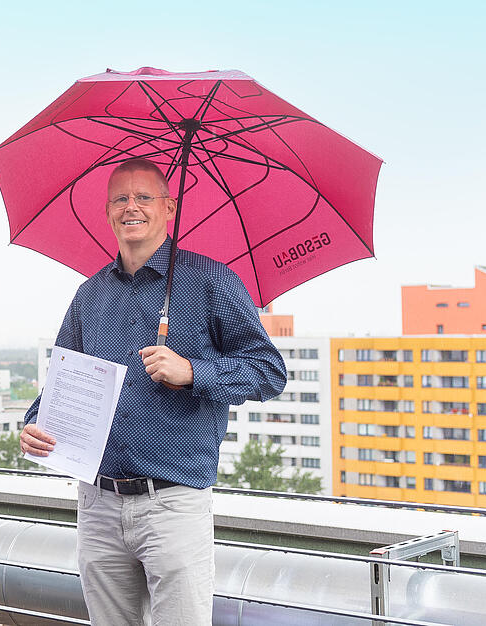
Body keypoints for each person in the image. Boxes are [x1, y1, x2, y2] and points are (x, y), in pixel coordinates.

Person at [19, 159, 286, 625]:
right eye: (120, 198)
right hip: (97, 502)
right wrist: (33, 423)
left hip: (173, 503)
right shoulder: (90, 294)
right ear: (107, 213)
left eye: (144, 197)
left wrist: (193, 372)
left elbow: (268, 372)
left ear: (169, 207)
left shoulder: (211, 281)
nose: (131, 207)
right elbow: (61, 386)